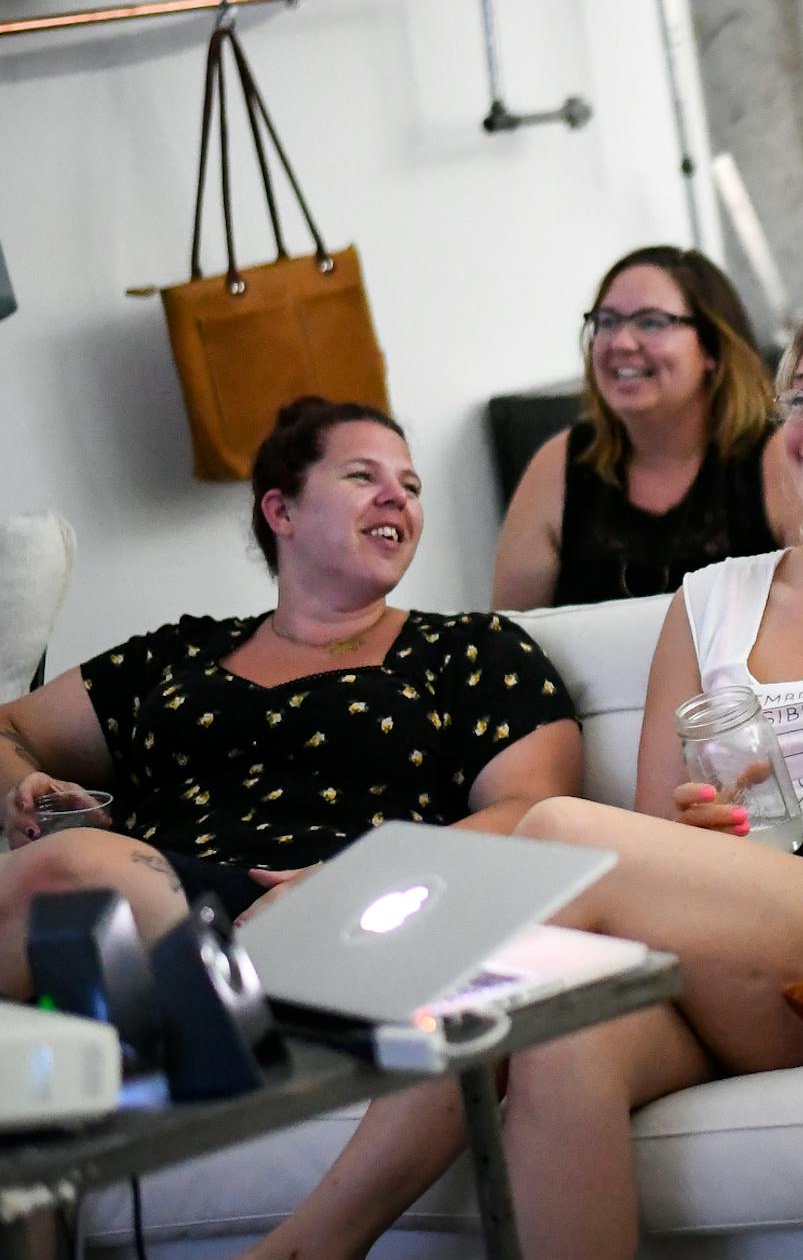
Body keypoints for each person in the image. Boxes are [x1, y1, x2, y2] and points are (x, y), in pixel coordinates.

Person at [131, 283, 803, 1260]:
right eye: (801, 395)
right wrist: (697, 828)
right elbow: (657, 825)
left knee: (557, 833)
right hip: (745, 946)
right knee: (555, 1028)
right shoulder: (709, 599)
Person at [0, 398, 583, 1001]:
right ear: (281, 510)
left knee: (73, 874)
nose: (398, 497)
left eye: (411, 486)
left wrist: (358, 882)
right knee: (70, 876)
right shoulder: (177, 653)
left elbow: (536, 813)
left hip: (340, 911)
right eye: (363, 475)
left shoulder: (469, 648)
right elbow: (8, 727)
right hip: (155, 890)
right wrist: (23, 789)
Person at [492, 245, 800, 609]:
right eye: (606, 322)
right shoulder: (558, 464)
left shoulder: (781, 459)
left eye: (651, 322)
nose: (620, 342)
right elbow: (509, 636)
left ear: (713, 350)